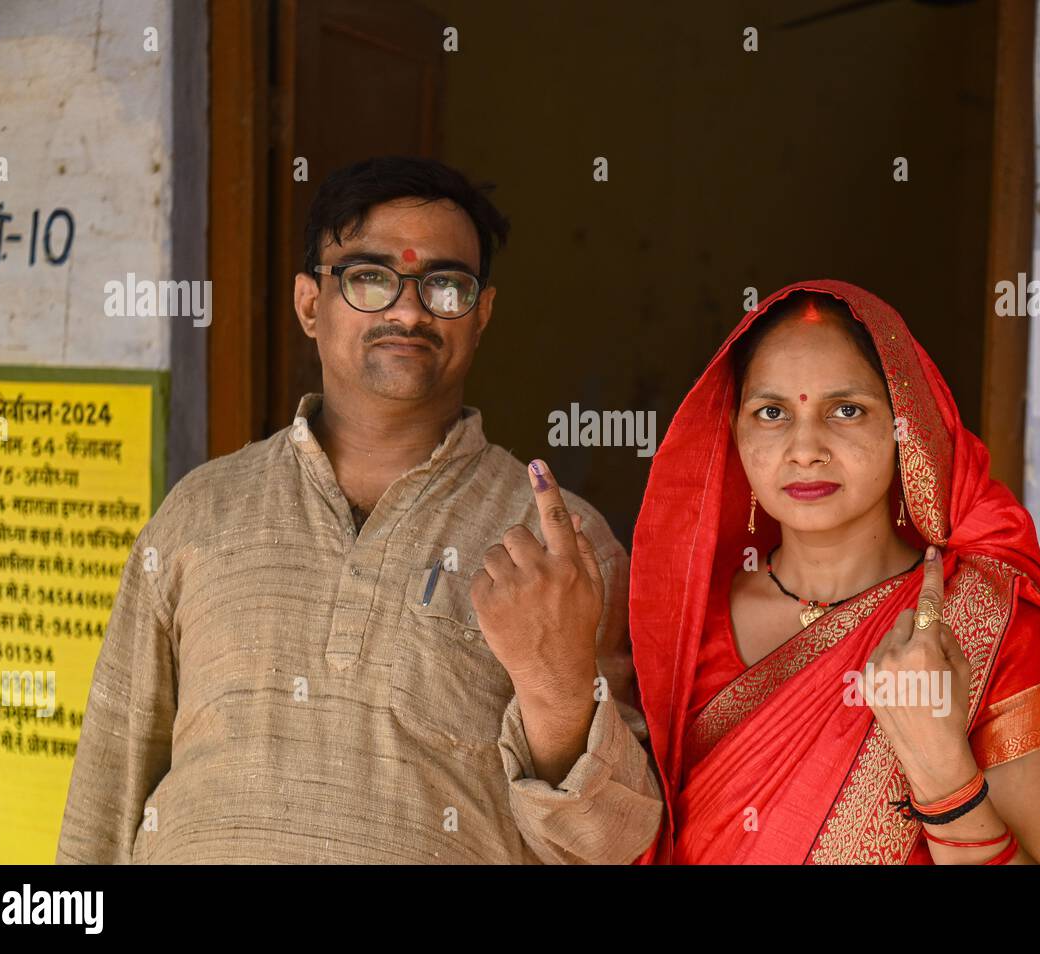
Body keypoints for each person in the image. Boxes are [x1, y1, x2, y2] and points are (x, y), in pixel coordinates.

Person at [57, 156, 662, 864]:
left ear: (481, 315)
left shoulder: (561, 544)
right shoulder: (200, 512)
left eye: (444, 285)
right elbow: (109, 784)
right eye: (370, 278)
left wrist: (553, 685)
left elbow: (613, 842)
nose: (408, 310)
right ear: (311, 304)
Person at [628, 280, 1040, 864]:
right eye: (771, 413)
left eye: (846, 410)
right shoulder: (684, 626)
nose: (806, 447)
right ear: (734, 433)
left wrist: (942, 771)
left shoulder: (991, 625)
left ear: (905, 428)